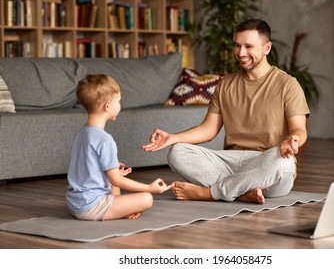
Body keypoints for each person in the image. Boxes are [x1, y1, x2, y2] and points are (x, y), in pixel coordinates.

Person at [142, 19, 310, 204]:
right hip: (231, 163)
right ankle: (241, 192)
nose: (241, 53)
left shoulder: (288, 85)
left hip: (267, 161)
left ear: (266, 48)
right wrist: (174, 138)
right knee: (177, 152)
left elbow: (299, 130)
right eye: (237, 46)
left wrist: (292, 140)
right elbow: (208, 129)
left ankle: (208, 193)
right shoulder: (226, 84)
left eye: (248, 46)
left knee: (283, 162)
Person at [66, 74, 171, 221]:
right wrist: (150, 188)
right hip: (91, 206)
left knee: (115, 179)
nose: (120, 105)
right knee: (147, 199)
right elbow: (116, 181)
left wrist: (114, 171)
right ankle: (119, 210)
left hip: (74, 204)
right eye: (119, 101)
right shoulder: (105, 139)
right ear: (107, 106)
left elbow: (86, 170)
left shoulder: (82, 133)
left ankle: (119, 209)